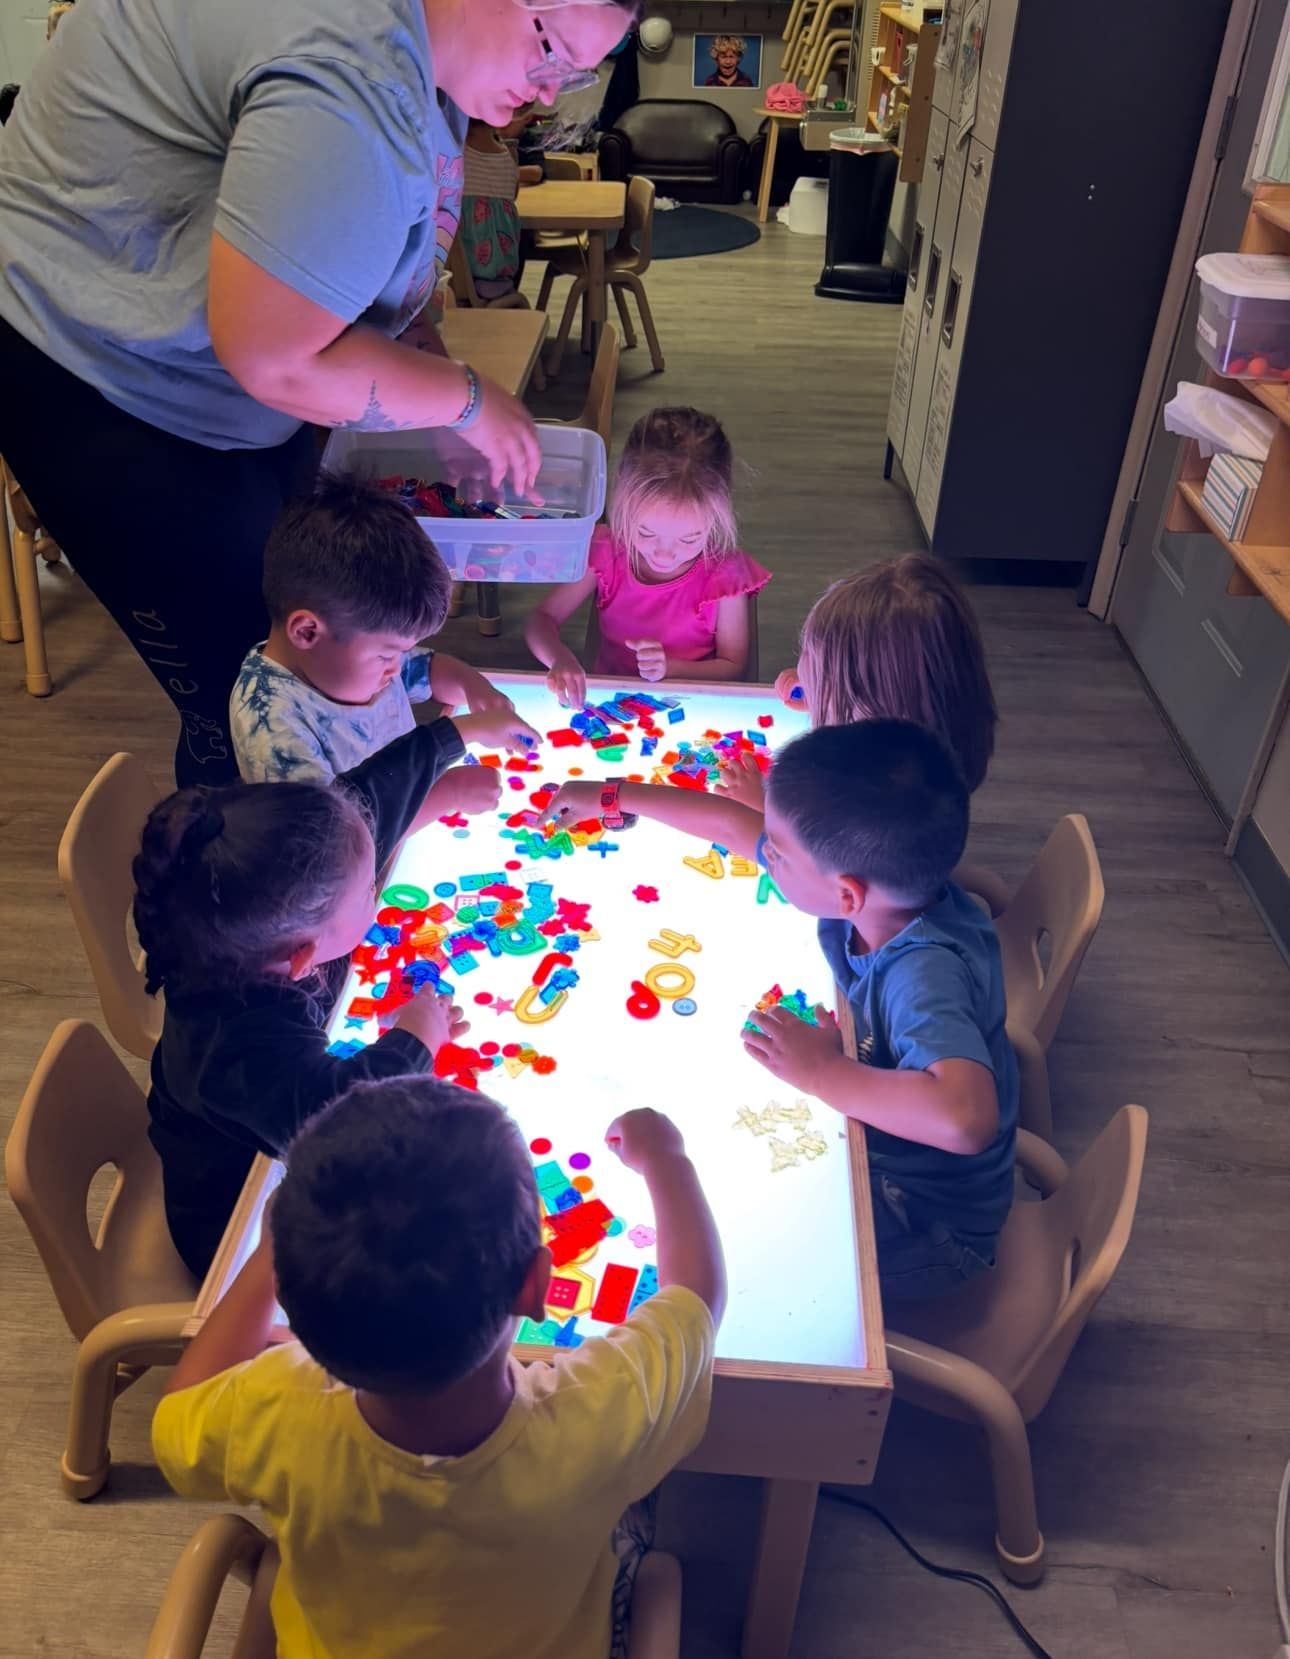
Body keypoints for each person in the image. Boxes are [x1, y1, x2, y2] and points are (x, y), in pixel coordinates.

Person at [0, 0, 633, 787]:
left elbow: (355, 272)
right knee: (240, 695)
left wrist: (428, 382)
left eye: (575, 74)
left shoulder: (425, 55)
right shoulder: (349, 68)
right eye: (549, 49)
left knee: (312, 636)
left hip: (215, 379)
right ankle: (256, 888)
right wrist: (463, 397)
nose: (546, 92)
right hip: (102, 375)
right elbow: (276, 358)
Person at [152, 1083, 725, 1659]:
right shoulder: (602, 1410)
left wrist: (271, 1251)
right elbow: (696, 1298)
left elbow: (175, 1419)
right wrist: (666, 1159)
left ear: (292, 1305)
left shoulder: (273, 1405)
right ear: (535, 1286)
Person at [543, 720, 1018, 1304]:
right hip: (888, 1160)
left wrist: (822, 1072)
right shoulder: (888, 899)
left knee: (742, 1272)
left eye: (779, 853)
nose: (763, 852)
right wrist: (613, 795)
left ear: (846, 894)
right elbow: (727, 825)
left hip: (928, 1228)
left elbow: (966, 1120)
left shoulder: (921, 971)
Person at [135, 699, 529, 1276]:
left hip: (268, 1143)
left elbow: (369, 799)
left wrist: (450, 737)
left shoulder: (235, 925)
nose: (377, 892)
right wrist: (414, 1039)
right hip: (235, 1227)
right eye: (371, 891)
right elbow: (341, 1120)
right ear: (303, 956)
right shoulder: (240, 1047)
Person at [231, 473, 536, 789]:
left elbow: (427, 671)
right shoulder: (271, 726)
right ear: (307, 632)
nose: (396, 666)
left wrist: (475, 689)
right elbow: (337, 833)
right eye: (388, 654)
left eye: (402, 652)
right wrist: (449, 793)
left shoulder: (349, 658)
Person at [524, 408, 769, 704]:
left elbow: (734, 667)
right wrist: (560, 659)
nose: (664, 554)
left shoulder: (725, 573)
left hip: (696, 708)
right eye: (646, 533)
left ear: (718, 516)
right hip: (610, 704)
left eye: (689, 538)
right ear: (623, 501)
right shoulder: (608, 551)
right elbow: (541, 619)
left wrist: (672, 669)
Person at [719, 555, 998, 813]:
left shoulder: (870, 787)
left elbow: (811, 853)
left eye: (812, 658)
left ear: (868, 700)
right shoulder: (929, 742)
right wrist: (823, 695)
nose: (802, 664)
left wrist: (763, 804)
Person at [459, 106, 545, 300]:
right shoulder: (507, 158)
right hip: (499, 275)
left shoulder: (455, 155)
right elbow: (512, 194)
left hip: (454, 276)